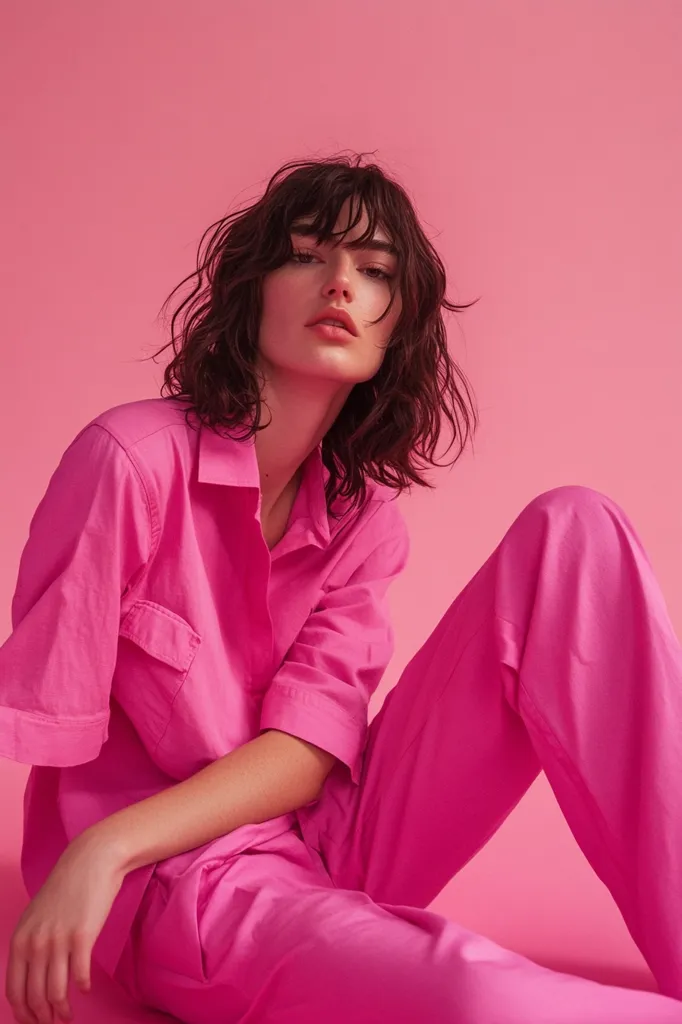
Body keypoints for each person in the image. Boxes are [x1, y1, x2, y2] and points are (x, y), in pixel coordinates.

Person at [1, 153, 682, 1024]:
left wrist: (107, 843)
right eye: (306, 254)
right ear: (251, 289)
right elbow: (50, 722)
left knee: (575, 530)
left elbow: (308, 746)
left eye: (374, 272)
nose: (340, 284)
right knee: (477, 998)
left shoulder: (365, 518)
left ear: (398, 327)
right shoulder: (128, 464)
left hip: (333, 834)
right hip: (180, 884)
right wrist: (102, 849)